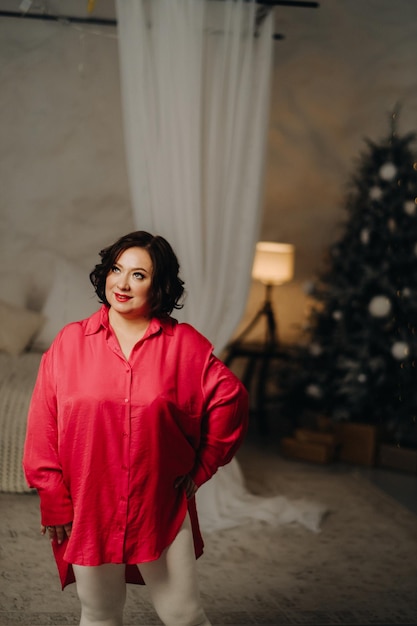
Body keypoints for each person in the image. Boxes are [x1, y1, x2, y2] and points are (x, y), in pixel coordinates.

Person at [23, 230, 249, 626]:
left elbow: (231, 398)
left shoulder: (185, 346)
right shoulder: (70, 342)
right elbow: (43, 421)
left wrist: (203, 466)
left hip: (158, 504)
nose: (122, 284)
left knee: (184, 615)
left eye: (138, 275)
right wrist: (52, 495)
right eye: (116, 269)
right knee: (99, 614)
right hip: (87, 506)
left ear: (159, 285)